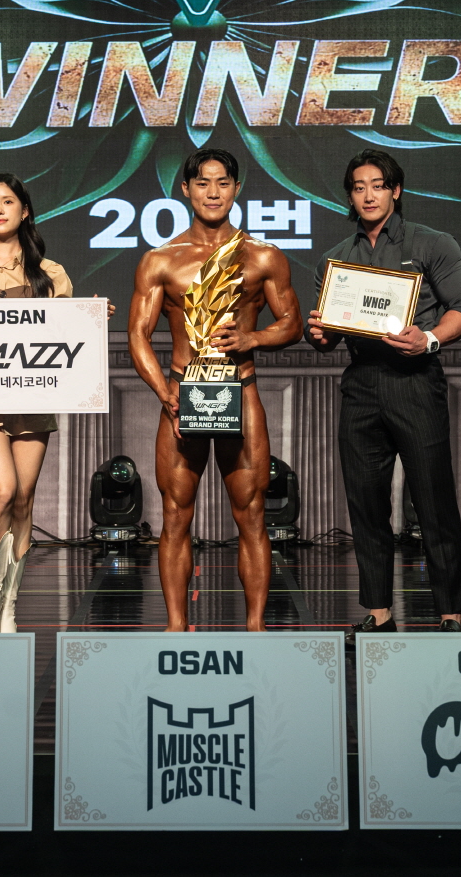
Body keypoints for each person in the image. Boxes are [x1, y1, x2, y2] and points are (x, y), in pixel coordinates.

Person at [304, 150, 461, 642]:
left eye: (378, 185)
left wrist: (431, 339)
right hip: (360, 384)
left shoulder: (432, 243)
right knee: (366, 504)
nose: (368, 195)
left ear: (395, 191)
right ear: (350, 195)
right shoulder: (335, 259)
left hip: (415, 380)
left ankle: (450, 612)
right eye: (359, 186)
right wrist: (318, 333)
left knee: (433, 501)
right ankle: (379, 612)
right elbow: (325, 334)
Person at [128, 149, 302, 632]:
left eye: (223, 183)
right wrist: (163, 392)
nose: (213, 192)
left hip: (239, 392)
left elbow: (292, 323)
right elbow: (138, 334)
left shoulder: (262, 256)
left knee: (252, 514)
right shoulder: (160, 260)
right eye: (203, 183)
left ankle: (256, 630)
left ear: (236, 189)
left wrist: (252, 338)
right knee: (175, 514)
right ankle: (175, 628)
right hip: (182, 394)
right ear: (185, 189)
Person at [0, 173, 111, 633]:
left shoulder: (50, 273)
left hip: (33, 396)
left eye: (8, 201)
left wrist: (93, 317)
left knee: (24, 498)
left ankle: (10, 603)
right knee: (1, 490)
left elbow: (64, 336)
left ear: (25, 210)